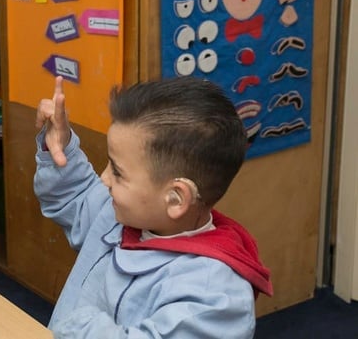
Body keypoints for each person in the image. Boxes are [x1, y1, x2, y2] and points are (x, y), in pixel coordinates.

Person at [34, 75, 272, 338]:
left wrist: (77, 325)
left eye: (117, 171)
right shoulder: (124, 211)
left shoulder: (215, 298)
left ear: (175, 198)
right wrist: (61, 146)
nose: (105, 178)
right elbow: (76, 199)